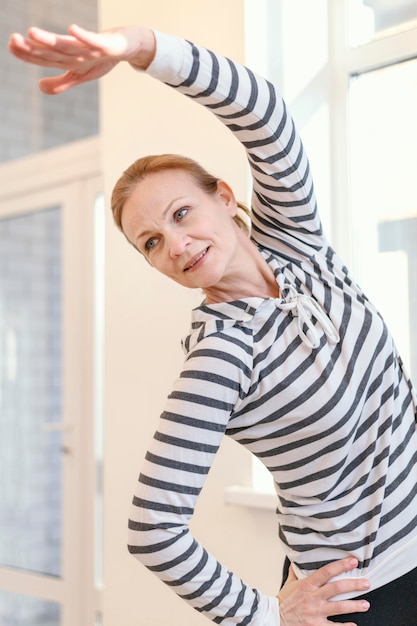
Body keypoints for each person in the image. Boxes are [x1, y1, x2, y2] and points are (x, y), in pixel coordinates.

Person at [8, 22, 417, 626]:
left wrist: (143, 49)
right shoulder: (221, 353)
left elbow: (266, 114)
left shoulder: (299, 250)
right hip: (369, 595)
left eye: (181, 213)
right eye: (151, 241)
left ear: (225, 196)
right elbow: (153, 527)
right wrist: (266, 614)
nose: (175, 244)